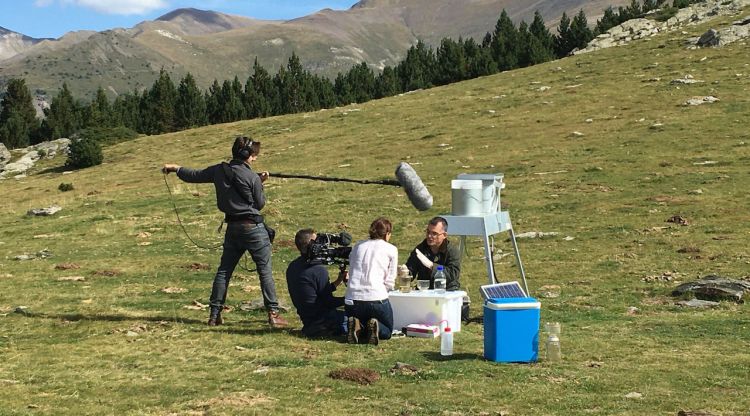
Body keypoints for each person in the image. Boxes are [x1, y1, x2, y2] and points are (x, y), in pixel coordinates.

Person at [162, 135, 288, 328]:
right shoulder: (251, 177)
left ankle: (214, 315)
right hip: (253, 227)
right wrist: (260, 182)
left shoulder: (218, 170)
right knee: (265, 271)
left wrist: (176, 168)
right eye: (254, 155)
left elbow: (194, 175)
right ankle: (273, 313)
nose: (255, 159)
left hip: (233, 228)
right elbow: (259, 204)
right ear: (247, 155)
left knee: (224, 271)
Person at [286, 228, 348, 338]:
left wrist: (337, 282)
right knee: (358, 318)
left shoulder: (293, 266)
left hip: (308, 320)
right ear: (311, 245)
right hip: (324, 321)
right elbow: (329, 302)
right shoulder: (318, 270)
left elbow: (314, 291)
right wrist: (351, 300)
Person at [345, 217, 397, 345]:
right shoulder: (391, 249)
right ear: (387, 234)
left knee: (363, 319)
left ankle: (358, 325)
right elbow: (390, 280)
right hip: (376, 297)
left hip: (353, 298)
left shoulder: (357, 246)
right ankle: (376, 327)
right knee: (387, 330)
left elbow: (351, 269)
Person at [406, 216, 469, 320]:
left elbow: (453, 274)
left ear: (444, 235)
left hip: (447, 292)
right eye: (428, 232)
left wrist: (432, 266)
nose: (430, 236)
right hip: (424, 292)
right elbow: (411, 270)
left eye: (434, 233)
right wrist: (404, 272)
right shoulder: (420, 249)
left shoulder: (452, 251)